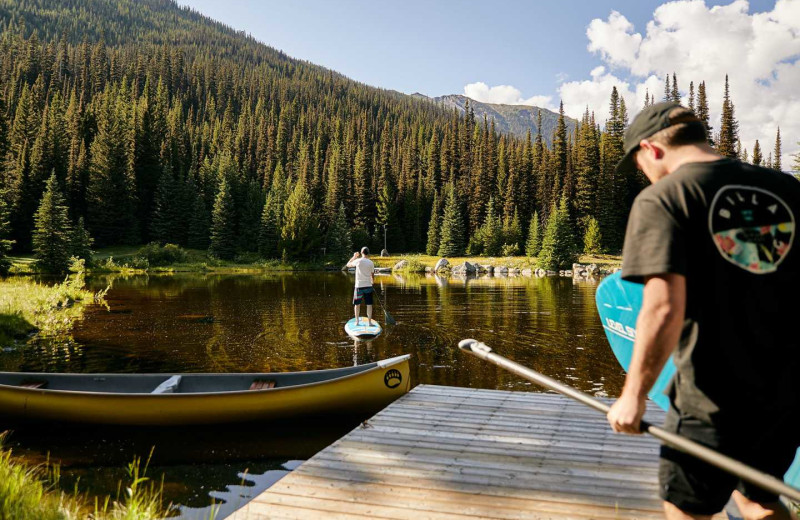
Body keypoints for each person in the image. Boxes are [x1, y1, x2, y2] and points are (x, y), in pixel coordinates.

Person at [606, 101, 799, 520]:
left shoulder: (664, 197)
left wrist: (633, 397)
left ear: (651, 149)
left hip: (711, 399)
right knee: (760, 499)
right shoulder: (788, 189)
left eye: (638, 162)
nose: (642, 172)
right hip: (786, 396)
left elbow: (661, 310)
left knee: (686, 507)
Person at [346, 247, 375, 326]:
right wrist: (372, 281)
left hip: (359, 287)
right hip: (368, 286)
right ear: (368, 253)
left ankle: (357, 322)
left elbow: (348, 265)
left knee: (357, 305)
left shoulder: (357, 261)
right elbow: (372, 274)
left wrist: (354, 256)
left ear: (361, 252)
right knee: (369, 305)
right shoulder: (371, 262)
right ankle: (369, 322)